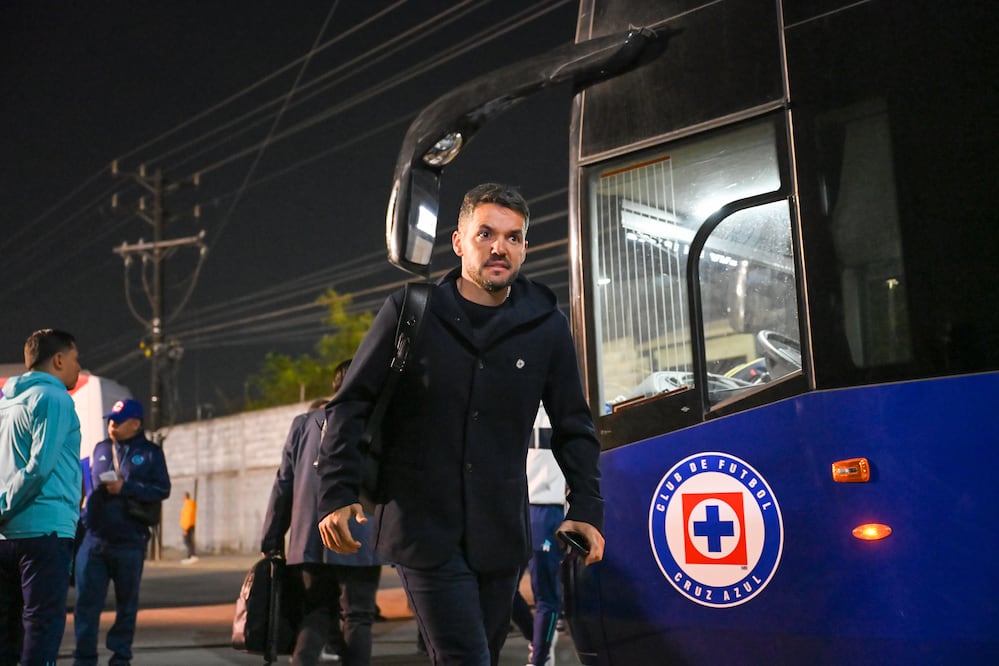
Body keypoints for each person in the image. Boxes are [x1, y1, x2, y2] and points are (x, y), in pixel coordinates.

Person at [316, 182, 605, 666]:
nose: (499, 247)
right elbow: (350, 405)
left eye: (513, 237)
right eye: (486, 233)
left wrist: (587, 507)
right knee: (466, 657)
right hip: (423, 529)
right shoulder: (411, 312)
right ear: (458, 241)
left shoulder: (546, 326)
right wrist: (337, 492)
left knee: (481, 656)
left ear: (525, 248)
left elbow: (574, 424)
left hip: (502, 535)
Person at [0, 328, 83, 666]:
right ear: (59, 359)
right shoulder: (54, 399)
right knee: (42, 628)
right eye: (76, 359)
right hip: (45, 531)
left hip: (5, 536)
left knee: (7, 631)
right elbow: (39, 468)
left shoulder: (6, 404)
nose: (78, 367)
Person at [73, 398, 171, 666]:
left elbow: (162, 490)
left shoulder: (150, 453)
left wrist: (126, 487)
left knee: (126, 606)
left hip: (130, 541)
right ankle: (84, 659)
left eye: (119, 421)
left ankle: (120, 657)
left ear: (136, 424)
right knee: (86, 606)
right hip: (95, 541)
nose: (112, 425)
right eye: (111, 421)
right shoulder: (101, 449)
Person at [261, 395, 341, 665]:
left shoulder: (302, 426)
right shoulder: (365, 416)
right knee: (356, 615)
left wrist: (271, 539)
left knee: (317, 608)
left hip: (308, 539)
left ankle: (311, 654)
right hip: (356, 537)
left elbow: (283, 484)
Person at [320, 359, 383, 666]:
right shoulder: (369, 417)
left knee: (330, 606)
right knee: (358, 612)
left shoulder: (320, 420)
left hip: (327, 525)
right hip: (363, 520)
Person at [510, 407, 566, 666]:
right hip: (533, 507)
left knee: (539, 594)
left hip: (533, 505)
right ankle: (540, 651)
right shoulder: (562, 405)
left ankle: (540, 654)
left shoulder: (514, 396)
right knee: (541, 596)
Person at [180, 491, 198, 564]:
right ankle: (190, 556)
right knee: (189, 541)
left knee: (187, 541)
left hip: (188, 526)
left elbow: (187, 517)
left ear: (185, 497)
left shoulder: (188, 504)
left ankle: (192, 555)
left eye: (183, 496)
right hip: (190, 525)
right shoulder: (189, 504)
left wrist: (185, 529)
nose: (182, 498)